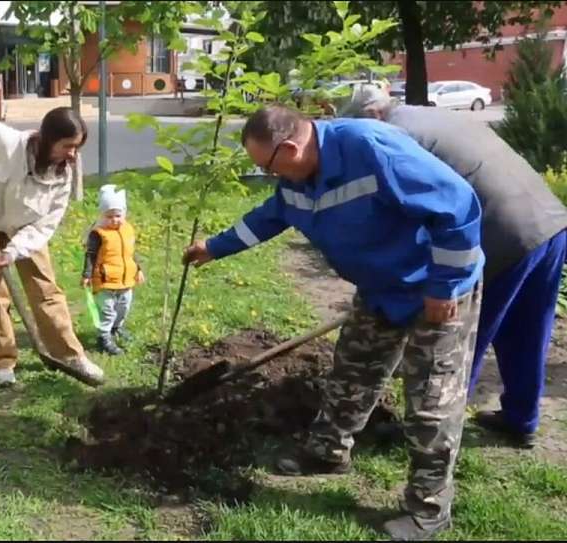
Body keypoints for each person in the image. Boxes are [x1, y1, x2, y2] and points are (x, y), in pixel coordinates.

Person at [183, 106, 484, 540]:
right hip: (379, 289)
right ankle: (327, 452)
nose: (270, 177)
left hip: (434, 290)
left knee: (431, 402)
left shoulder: (371, 148)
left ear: (290, 147)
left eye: (267, 167)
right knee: (352, 372)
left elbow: (456, 207)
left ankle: (429, 509)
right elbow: (271, 216)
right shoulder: (296, 180)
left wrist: (445, 285)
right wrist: (214, 247)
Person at [342, 86, 567, 448]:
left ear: (372, 117)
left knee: (459, 339)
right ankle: (521, 420)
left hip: (498, 233)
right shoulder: (429, 115)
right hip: (549, 223)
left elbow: (417, 211)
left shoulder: (397, 137)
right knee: (526, 330)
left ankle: (431, 434)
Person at [0, 107, 104, 389]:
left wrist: (14, 250)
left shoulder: (62, 176)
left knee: (46, 292)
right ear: (48, 139)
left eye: (78, 146)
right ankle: (4, 362)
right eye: (68, 146)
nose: (73, 154)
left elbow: (46, 225)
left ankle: (70, 355)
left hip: (26, 233)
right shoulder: (7, 142)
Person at [81, 184, 146, 355]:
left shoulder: (128, 230)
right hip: (105, 280)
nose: (114, 220)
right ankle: (103, 337)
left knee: (123, 307)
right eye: (109, 216)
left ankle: (117, 328)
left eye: (118, 215)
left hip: (126, 280)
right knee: (107, 310)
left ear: (123, 214)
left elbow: (131, 252)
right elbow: (90, 254)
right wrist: (87, 275)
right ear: (102, 215)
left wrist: (138, 269)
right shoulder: (98, 233)